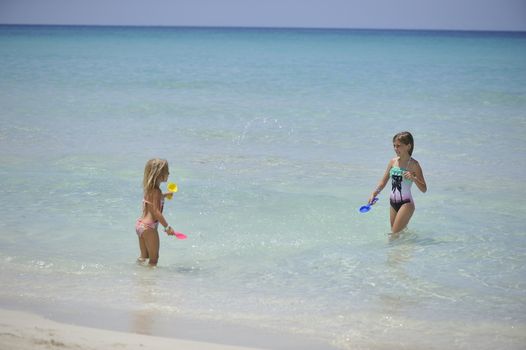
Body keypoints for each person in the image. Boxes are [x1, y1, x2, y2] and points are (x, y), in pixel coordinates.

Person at [369, 131, 427, 234]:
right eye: (394, 146)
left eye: (399, 146)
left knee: (393, 235)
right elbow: (383, 182)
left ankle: (391, 249)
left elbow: (424, 189)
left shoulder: (414, 164)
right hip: (393, 202)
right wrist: (374, 193)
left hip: (406, 203)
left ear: (408, 146)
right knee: (399, 233)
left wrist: (414, 178)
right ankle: (406, 248)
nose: (396, 148)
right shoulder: (392, 161)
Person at [135, 158, 175, 266]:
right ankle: (149, 281)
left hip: (140, 225)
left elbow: (152, 201)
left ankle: (137, 274)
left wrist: (165, 195)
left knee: (143, 256)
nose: (169, 173)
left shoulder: (149, 189)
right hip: (149, 228)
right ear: (159, 174)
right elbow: (156, 212)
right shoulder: (157, 191)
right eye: (167, 171)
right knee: (154, 259)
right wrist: (167, 227)